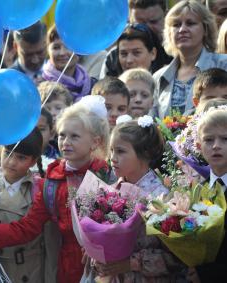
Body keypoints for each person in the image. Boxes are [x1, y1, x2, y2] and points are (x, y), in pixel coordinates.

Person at [0, 96, 111, 283]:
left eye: (75, 136)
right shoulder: (54, 180)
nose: (65, 142)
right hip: (66, 266)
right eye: (62, 135)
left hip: (104, 266)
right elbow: (28, 227)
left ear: (95, 142)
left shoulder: (107, 176)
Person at [83, 116, 187, 282]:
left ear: (144, 153)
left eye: (121, 151)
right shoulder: (110, 192)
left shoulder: (162, 197)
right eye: (111, 151)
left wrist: (132, 263)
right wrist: (96, 255)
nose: (113, 158)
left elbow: (176, 257)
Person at [0, 128, 48, 283]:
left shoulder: (40, 189)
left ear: (33, 160)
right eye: (8, 153)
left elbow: (50, 241)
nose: (11, 162)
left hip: (30, 270)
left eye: (21, 157)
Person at [153, 0, 227, 119]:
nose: (182, 30)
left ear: (206, 29)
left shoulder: (223, 64)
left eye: (190, 23)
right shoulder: (159, 77)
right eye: (176, 25)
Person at [190, 107, 227, 282]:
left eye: (225, 139)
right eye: (208, 139)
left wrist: (207, 274)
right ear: (199, 146)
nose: (216, 145)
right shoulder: (197, 190)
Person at [100, 0, 172, 78]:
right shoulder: (113, 57)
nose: (147, 28)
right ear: (129, 20)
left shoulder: (176, 54)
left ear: (167, 16)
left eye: (153, 22)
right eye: (140, 24)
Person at [42, 25, 96, 102]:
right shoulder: (40, 84)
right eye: (56, 47)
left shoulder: (92, 85)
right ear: (48, 50)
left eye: (68, 47)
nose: (62, 53)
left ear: (80, 50)